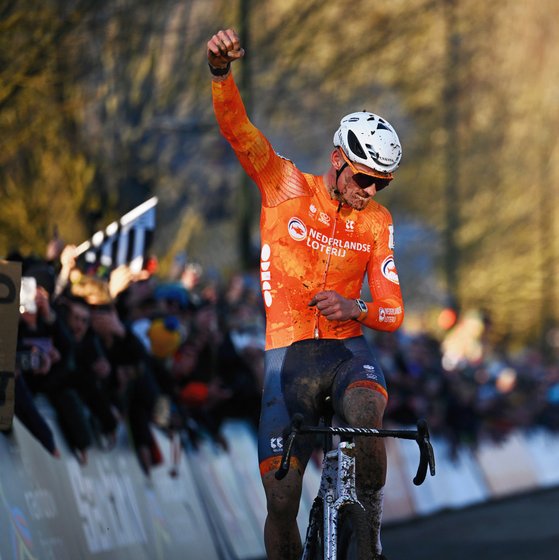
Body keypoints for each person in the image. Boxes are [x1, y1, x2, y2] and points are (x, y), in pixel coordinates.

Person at [208, 29, 405, 560]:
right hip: (287, 357)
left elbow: (392, 309)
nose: (370, 191)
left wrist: (356, 307)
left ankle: (370, 541)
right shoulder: (285, 186)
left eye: (382, 183)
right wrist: (221, 74)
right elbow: (238, 131)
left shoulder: (377, 222)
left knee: (367, 413)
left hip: (347, 351)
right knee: (281, 501)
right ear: (338, 159)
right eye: (364, 178)